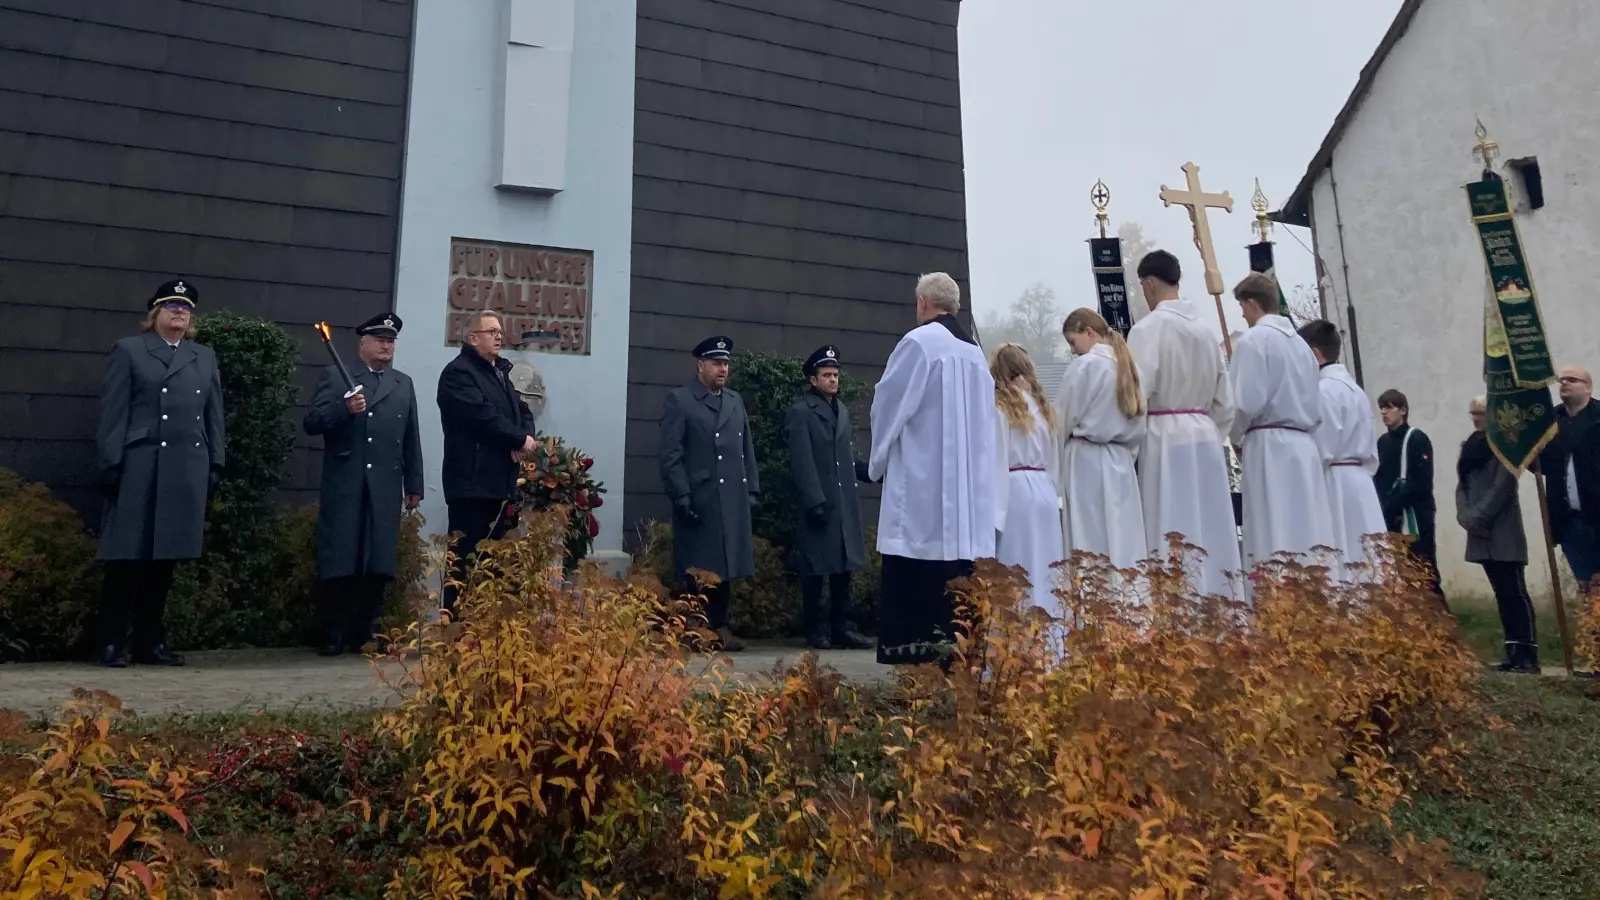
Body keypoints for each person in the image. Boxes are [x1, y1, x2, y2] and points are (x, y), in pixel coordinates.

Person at [94, 278, 225, 668]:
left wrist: (216, 461)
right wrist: (111, 461)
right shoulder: (130, 351)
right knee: (125, 559)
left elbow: (213, 415)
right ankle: (112, 642)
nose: (179, 314)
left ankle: (151, 642)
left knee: (164, 560)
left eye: (185, 309)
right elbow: (114, 411)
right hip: (140, 462)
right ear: (155, 314)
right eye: (171, 308)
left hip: (185, 466)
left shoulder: (204, 357)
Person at [870, 272, 999, 665]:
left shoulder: (919, 343)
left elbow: (889, 404)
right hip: (967, 493)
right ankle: (961, 659)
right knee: (960, 575)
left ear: (923, 304)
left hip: (924, 486)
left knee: (918, 564)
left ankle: (915, 660)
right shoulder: (976, 354)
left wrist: (877, 461)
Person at [303, 312, 424, 656]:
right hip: (347, 481)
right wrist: (345, 408)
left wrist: (413, 482)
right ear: (363, 345)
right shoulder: (337, 376)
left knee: (378, 560)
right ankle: (333, 630)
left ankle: (367, 630)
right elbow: (312, 422)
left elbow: (409, 436)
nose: (386, 346)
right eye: (380, 340)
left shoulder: (403, 384)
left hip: (385, 483)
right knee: (342, 557)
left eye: (391, 341)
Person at [1125, 250, 1240, 598]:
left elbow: (1136, 394)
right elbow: (1225, 401)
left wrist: (1129, 442)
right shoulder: (1205, 331)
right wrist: (1209, 431)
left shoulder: (1148, 330)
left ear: (1148, 284)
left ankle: (1178, 607)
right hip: (1205, 437)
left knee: (1173, 525)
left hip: (1165, 435)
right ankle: (1221, 602)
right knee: (1211, 525)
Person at [1228, 274, 1336, 574]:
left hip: (1268, 443)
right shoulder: (1301, 346)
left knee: (1271, 525)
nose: (1242, 314)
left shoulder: (1254, 340)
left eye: (1242, 306)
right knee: (1304, 526)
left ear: (1252, 303)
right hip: (1303, 445)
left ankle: (1276, 599)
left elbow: (1245, 402)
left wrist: (1236, 436)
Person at [659, 335, 759, 652]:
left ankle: (719, 626)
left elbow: (746, 451)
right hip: (698, 498)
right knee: (699, 567)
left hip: (730, 498)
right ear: (701, 365)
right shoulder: (681, 400)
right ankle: (695, 627)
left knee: (726, 566)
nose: (723, 369)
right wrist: (681, 495)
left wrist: (752, 490)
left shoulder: (733, 401)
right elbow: (670, 455)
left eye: (726, 363)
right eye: (717, 363)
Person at [437, 310, 536, 614]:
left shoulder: (499, 374)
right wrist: (517, 440)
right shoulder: (459, 373)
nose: (498, 336)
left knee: (499, 567)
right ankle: (455, 633)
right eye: (491, 331)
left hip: (500, 485)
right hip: (472, 484)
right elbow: (481, 416)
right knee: (466, 564)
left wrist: (525, 439)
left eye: (499, 332)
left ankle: (489, 638)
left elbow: (523, 411)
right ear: (472, 338)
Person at [785, 345, 874, 650]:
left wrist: (868, 472)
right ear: (813, 380)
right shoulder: (801, 411)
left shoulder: (842, 411)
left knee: (843, 568)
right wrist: (814, 499)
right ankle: (815, 627)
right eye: (826, 375)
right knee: (816, 569)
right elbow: (802, 459)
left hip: (842, 501)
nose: (833, 380)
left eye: (835, 374)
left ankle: (842, 626)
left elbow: (843, 456)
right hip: (819, 502)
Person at [1057, 308, 1147, 571]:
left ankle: (1090, 600)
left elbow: (1062, 419)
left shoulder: (1085, 366)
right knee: (1122, 535)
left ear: (1089, 332)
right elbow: (1139, 425)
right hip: (1120, 460)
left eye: (1072, 342)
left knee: (1088, 537)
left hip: (1086, 459)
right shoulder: (1132, 369)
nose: (1073, 351)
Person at [1297, 320, 1386, 580]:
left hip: (1334, 482)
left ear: (1315, 355)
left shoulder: (1324, 391)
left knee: (1341, 557)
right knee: (1365, 558)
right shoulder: (1356, 391)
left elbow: (1321, 448)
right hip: (1360, 483)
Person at [1457, 396, 1538, 673]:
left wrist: (1479, 515)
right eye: (1473, 413)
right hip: (1479, 531)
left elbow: (1502, 486)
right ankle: (1511, 651)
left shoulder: (1505, 446)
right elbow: (1462, 485)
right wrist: (1464, 515)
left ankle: (1527, 654)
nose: (1476, 418)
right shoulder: (1470, 447)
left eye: (1480, 413)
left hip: (1502, 529)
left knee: (1514, 591)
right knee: (1501, 594)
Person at [990, 343, 1065, 614]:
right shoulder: (1043, 407)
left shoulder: (1000, 406)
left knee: (1017, 564)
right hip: (1044, 488)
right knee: (1046, 565)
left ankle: (1016, 639)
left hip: (1015, 491)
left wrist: (993, 511)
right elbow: (1054, 459)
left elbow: (996, 456)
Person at [1374, 389, 1443, 602]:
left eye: (1390, 407)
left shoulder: (1417, 439)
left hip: (1416, 517)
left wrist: (1396, 503)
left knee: (1423, 569)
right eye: (1382, 408)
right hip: (1391, 517)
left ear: (1402, 410)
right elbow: (1379, 478)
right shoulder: (1382, 443)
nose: (1384, 412)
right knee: (1398, 572)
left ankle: (1440, 621)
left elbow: (1422, 483)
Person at [1539, 365, 1600, 603]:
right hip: (1569, 520)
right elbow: (1540, 463)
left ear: (1588, 387)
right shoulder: (1550, 422)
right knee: (1585, 586)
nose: (1564, 384)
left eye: (1572, 380)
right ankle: (1591, 638)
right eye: (1562, 380)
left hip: (1597, 515)